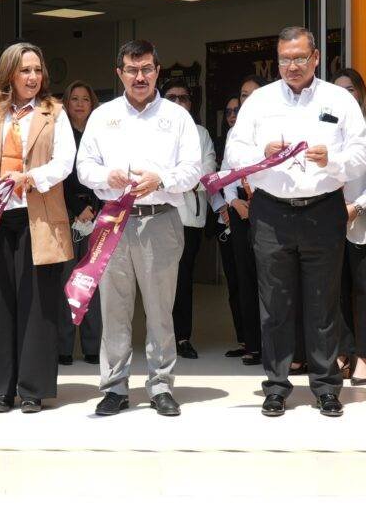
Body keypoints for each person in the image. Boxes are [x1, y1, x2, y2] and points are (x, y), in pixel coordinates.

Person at [226, 27, 366, 417]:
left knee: (323, 302)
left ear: (316, 58)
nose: (292, 66)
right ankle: (276, 385)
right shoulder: (259, 101)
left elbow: (362, 152)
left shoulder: (338, 99)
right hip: (271, 210)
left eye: (299, 58)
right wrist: (261, 152)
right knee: (275, 303)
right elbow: (235, 149)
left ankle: (326, 386)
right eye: (285, 59)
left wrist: (333, 161)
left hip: (323, 208)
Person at [77, 40, 201, 417]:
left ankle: (161, 385)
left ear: (157, 70)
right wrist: (106, 175)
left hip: (161, 220)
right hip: (114, 220)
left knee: (161, 311)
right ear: (120, 74)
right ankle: (114, 387)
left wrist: (161, 179)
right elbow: (84, 167)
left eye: (146, 68)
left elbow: (193, 169)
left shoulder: (177, 118)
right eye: (132, 70)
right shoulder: (103, 116)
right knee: (114, 309)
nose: (140, 76)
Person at [0, 42, 75, 414]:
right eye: (25, 70)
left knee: (37, 305)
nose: (33, 77)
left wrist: (30, 177)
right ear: (9, 73)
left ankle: (32, 389)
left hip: (37, 219)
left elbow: (64, 162)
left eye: (37, 70)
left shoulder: (53, 112)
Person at [332, 68, 366, 385]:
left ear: (360, 92)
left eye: (350, 89)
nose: (345, 95)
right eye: (338, 91)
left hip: (365, 220)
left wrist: (356, 206)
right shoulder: (323, 131)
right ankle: (341, 351)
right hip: (329, 222)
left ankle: (365, 356)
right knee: (334, 292)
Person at [161, 78, 217, 360]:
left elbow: (206, 169)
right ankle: (160, 339)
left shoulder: (200, 133)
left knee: (183, 278)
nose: (178, 103)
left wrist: (178, 179)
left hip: (189, 218)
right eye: (171, 97)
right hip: (158, 215)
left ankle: (182, 337)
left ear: (191, 103)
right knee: (158, 280)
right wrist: (179, 178)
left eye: (183, 98)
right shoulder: (154, 130)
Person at [58, 80, 102, 366]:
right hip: (66, 215)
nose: (80, 103)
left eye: (85, 98)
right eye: (74, 98)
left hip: (97, 215)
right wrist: (77, 210)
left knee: (92, 281)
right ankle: (63, 346)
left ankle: (92, 346)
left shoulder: (100, 134)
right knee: (66, 280)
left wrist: (94, 209)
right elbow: (60, 177)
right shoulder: (61, 134)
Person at [223, 75, 266, 367]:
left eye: (253, 94)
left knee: (271, 281)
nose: (247, 99)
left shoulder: (275, 125)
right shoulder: (234, 132)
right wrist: (232, 201)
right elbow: (227, 170)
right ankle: (251, 343)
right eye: (243, 94)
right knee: (245, 279)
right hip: (240, 209)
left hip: (268, 206)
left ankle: (273, 345)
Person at [212, 96, 245, 357]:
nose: (233, 114)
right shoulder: (226, 139)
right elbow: (218, 176)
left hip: (250, 211)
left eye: (238, 109)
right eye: (229, 111)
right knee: (235, 281)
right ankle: (244, 339)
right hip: (227, 216)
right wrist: (223, 205)